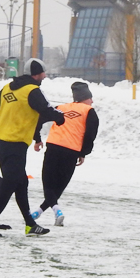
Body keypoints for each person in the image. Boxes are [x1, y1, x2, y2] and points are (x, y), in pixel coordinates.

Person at [0, 58, 64, 237]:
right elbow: (47, 110)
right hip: (16, 144)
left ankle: (30, 224)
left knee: (21, 182)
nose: (45, 76)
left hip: (3, 143)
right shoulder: (32, 90)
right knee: (10, 183)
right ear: (37, 74)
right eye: (43, 73)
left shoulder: (8, 88)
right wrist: (60, 117)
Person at [30, 81, 99, 226]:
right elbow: (90, 135)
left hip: (53, 147)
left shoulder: (60, 108)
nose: (92, 101)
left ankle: (40, 212)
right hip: (71, 151)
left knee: (48, 185)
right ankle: (53, 212)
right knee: (59, 186)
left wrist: (37, 139)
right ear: (85, 98)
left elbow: (38, 119)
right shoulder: (89, 112)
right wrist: (83, 153)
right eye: (90, 98)